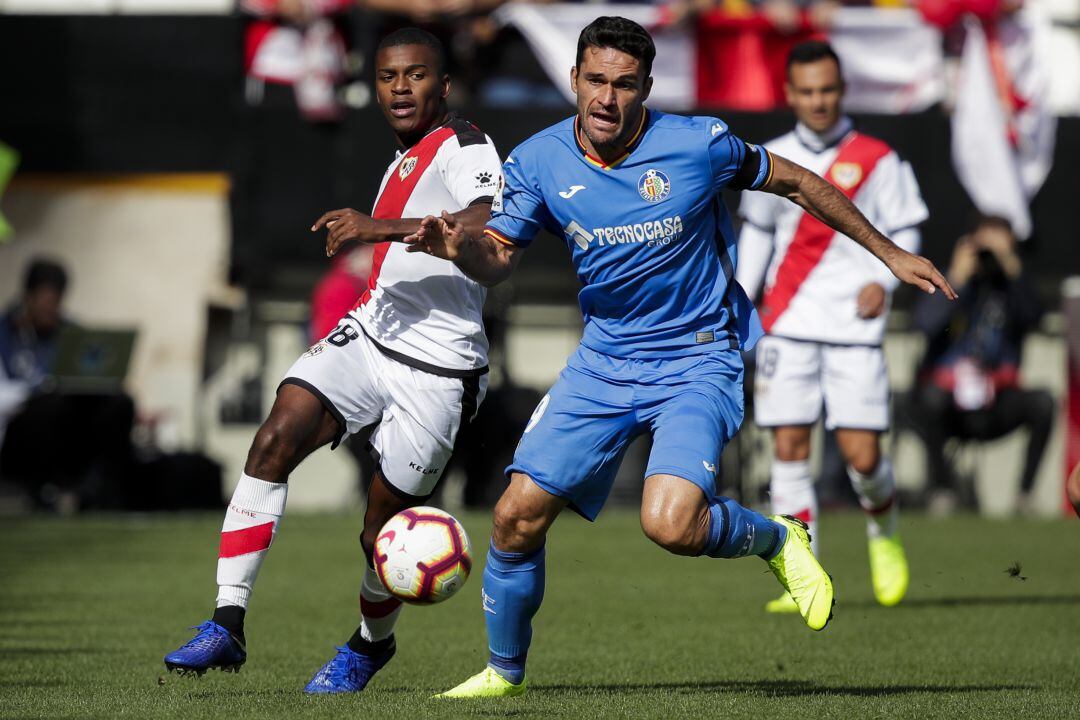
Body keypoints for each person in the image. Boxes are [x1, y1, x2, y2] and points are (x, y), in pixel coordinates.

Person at [403, 16, 954, 698]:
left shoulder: (699, 144)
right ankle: (503, 673)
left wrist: (891, 253)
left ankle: (779, 539)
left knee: (669, 524)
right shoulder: (539, 160)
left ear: (647, 88)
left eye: (624, 85)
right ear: (574, 79)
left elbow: (801, 183)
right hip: (603, 361)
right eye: (596, 81)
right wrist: (462, 248)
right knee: (516, 515)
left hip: (697, 358)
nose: (607, 99)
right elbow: (498, 257)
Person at [162, 28, 504, 694]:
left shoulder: (466, 144)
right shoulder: (402, 156)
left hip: (440, 370)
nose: (400, 88)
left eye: (415, 75)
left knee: (380, 532)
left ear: (444, 85)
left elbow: (480, 220)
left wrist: (377, 228)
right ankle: (226, 623)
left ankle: (370, 646)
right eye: (387, 77)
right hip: (373, 333)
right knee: (274, 438)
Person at [735, 41, 927, 611]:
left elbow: (908, 229)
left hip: (854, 323)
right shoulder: (768, 156)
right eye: (808, 91)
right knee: (789, 449)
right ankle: (803, 570)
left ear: (842, 90)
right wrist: (744, 306)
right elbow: (759, 236)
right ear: (790, 94)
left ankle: (884, 531)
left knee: (863, 458)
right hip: (788, 323)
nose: (819, 100)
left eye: (828, 89)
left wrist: (886, 282)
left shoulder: (878, 157)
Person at [910, 215, 1052, 514]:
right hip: (950, 401)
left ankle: (1024, 497)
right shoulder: (952, 282)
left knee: (1043, 402)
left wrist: (1011, 268)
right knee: (929, 397)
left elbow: (1035, 318)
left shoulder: (1012, 289)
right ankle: (942, 490)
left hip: (998, 400)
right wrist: (956, 277)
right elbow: (923, 323)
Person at [0, 258, 135, 511]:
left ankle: (100, 491)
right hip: (21, 429)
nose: (52, 309)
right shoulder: (5, 333)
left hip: (70, 423)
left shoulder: (73, 335)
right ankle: (42, 489)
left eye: (57, 301)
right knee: (50, 406)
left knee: (119, 402)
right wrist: (40, 388)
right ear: (28, 297)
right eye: (46, 301)